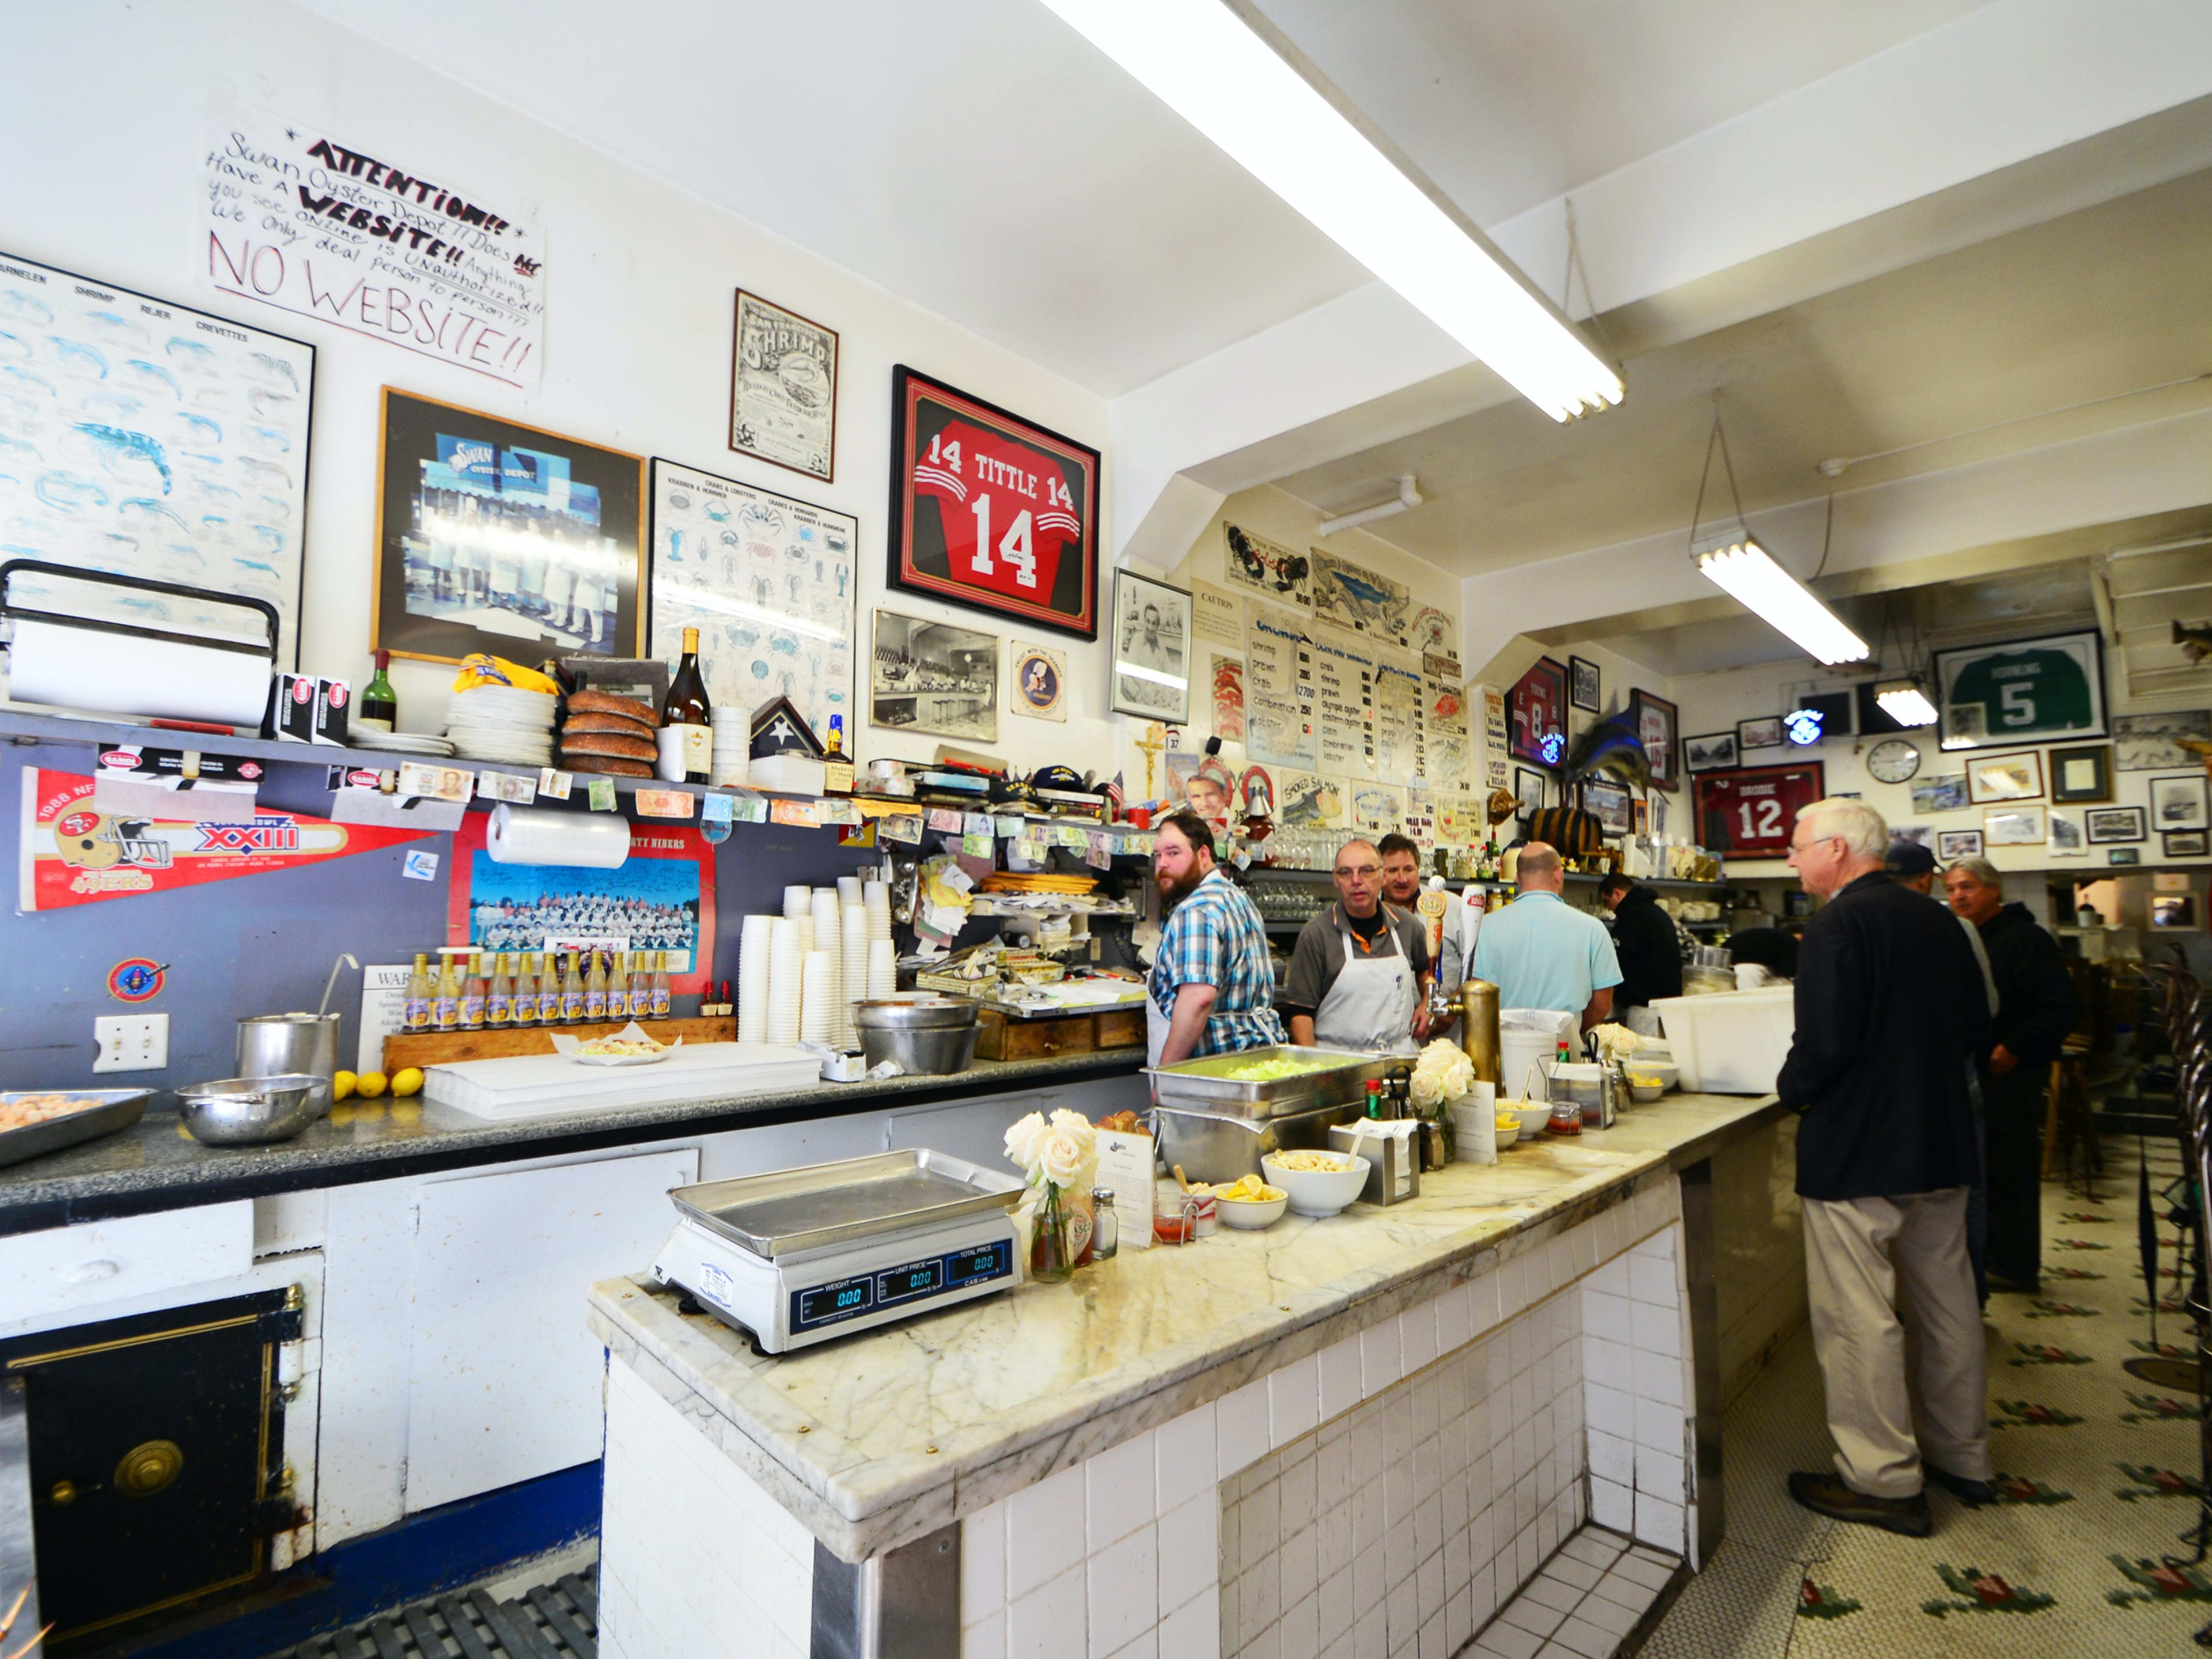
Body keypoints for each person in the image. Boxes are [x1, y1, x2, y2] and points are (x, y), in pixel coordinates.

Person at [1778, 799, 1995, 1536]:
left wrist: (1789, 1088)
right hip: (1940, 1138)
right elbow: (1975, 1027)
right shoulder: (1941, 921)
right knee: (1947, 1303)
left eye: (1798, 845)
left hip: (1860, 1149)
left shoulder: (1838, 924)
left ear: (1836, 850)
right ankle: (1962, 1455)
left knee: (1858, 1317)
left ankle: (1884, 1479)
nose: (1790, 858)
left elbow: (1825, 1044)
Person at [1942, 857, 2082, 1294]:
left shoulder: (2026, 939)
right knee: (1985, 1172)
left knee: (2012, 1169)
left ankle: (2016, 1267)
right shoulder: (1962, 939)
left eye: (1967, 887)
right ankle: (1988, 1258)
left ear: (1994, 890)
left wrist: (2016, 1049)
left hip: (2013, 1072)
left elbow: (2062, 1007)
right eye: (1950, 890)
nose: (1958, 897)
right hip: (1975, 1072)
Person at [1888, 840, 2003, 1302]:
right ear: (1927, 880)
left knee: (1899, 1195)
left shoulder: (1860, 925)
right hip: (1954, 1075)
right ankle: (1968, 1297)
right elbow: (1988, 1006)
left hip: (1892, 1083)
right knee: (1964, 1187)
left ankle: (1911, 1301)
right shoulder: (1958, 929)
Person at [1146, 809, 1285, 1066]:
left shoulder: (1196, 911)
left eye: (1174, 853)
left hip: (1215, 1069)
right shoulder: (1237, 898)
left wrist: (1165, 1073)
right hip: (1257, 1058)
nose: (1163, 863)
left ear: (1204, 855)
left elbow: (1198, 999)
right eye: (1158, 855)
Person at [1279, 837, 1433, 1053]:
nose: (1356, 880)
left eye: (1367, 871)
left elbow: (1427, 968)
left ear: (1383, 877)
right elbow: (1300, 1014)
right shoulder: (1316, 935)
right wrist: (1314, 1069)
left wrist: (1427, 1002)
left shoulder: (1406, 925)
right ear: (1335, 879)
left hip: (1398, 1060)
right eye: (1346, 873)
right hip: (1338, 1064)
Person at [1468, 842, 1621, 1030]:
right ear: (1559, 875)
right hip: (1564, 1049)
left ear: (1517, 878)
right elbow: (1602, 1004)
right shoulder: (1594, 930)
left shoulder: (1485, 927)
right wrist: (1572, 1031)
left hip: (1504, 1047)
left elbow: (1477, 996)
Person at [1379, 832, 1479, 1008]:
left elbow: (1478, 969)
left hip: (1449, 1026)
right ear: (1379, 874)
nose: (1402, 878)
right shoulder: (1369, 914)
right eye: (1393, 870)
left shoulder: (1452, 906)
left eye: (1409, 869)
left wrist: (1454, 1005)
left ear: (1419, 869)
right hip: (1391, 1028)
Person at [1596, 870, 1681, 1032]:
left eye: (1607, 902)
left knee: (1644, 1055)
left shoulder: (1632, 919)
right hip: (1667, 1006)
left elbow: (1616, 962)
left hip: (1645, 1008)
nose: (1609, 908)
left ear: (1618, 893)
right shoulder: (1657, 913)